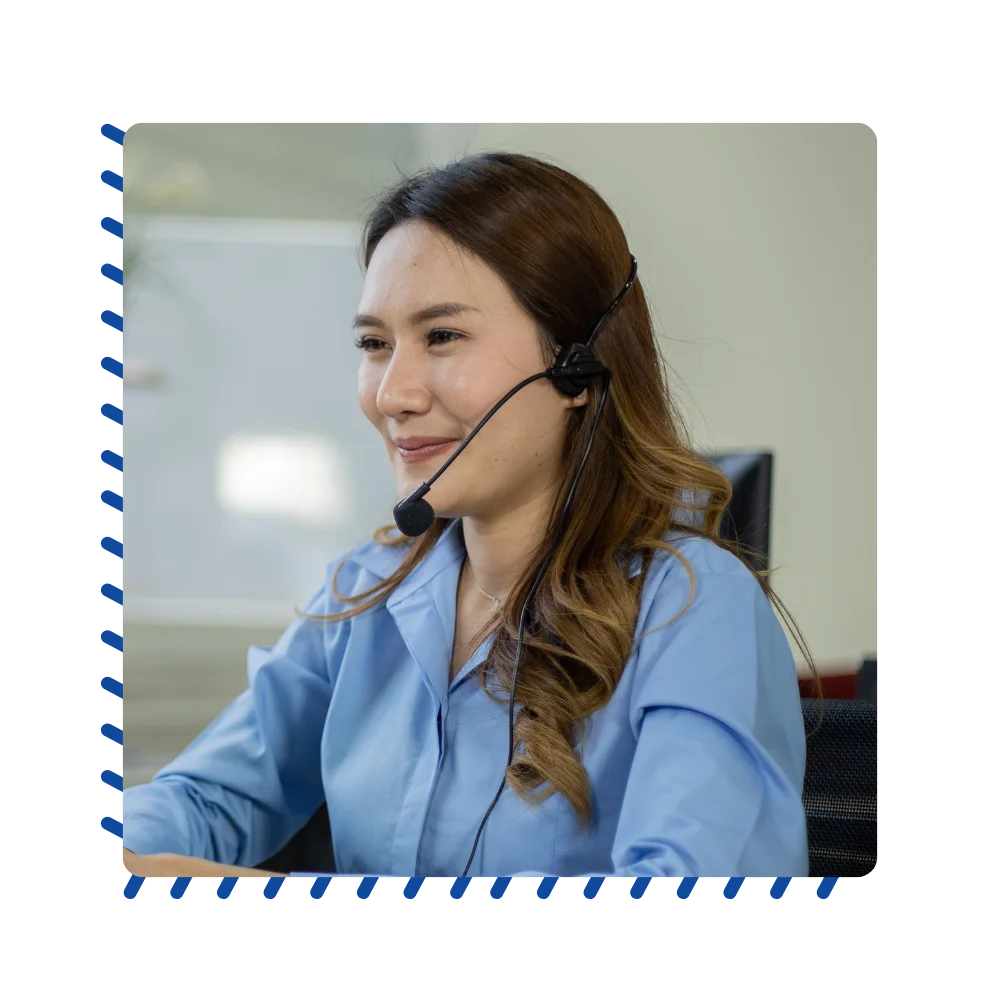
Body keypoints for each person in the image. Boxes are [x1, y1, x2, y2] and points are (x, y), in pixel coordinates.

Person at [121, 152, 814, 881]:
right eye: (373, 344)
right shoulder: (371, 591)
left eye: (442, 337)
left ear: (576, 367)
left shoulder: (694, 608)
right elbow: (205, 796)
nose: (393, 393)